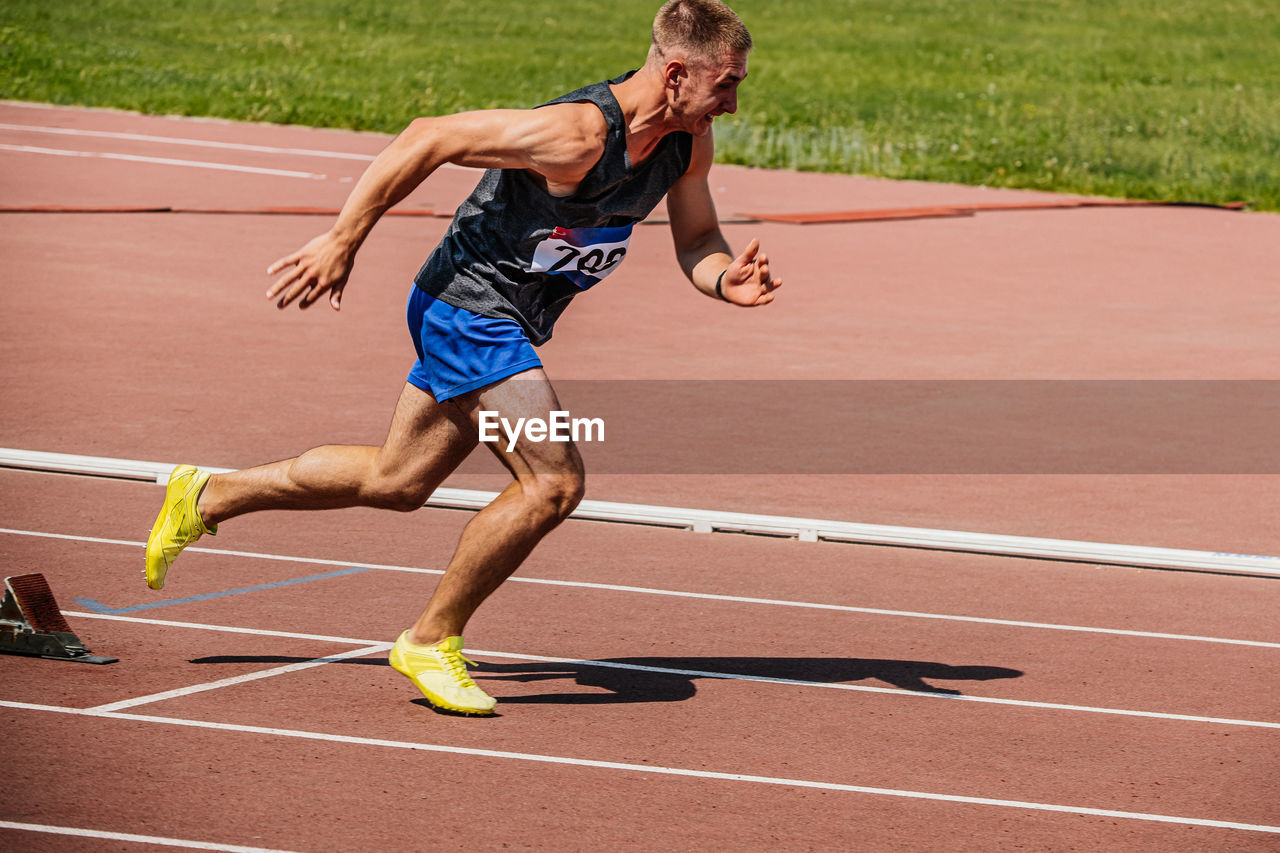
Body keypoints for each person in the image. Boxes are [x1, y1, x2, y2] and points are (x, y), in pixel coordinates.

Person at [144, 0, 781, 716]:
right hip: (468, 310)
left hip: (500, 320)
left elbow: (697, 239)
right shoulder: (576, 135)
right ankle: (428, 638)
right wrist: (342, 239)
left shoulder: (684, 144)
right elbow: (428, 136)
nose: (731, 102)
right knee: (552, 484)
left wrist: (726, 278)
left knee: (398, 479)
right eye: (726, 84)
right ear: (674, 73)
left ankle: (206, 495)